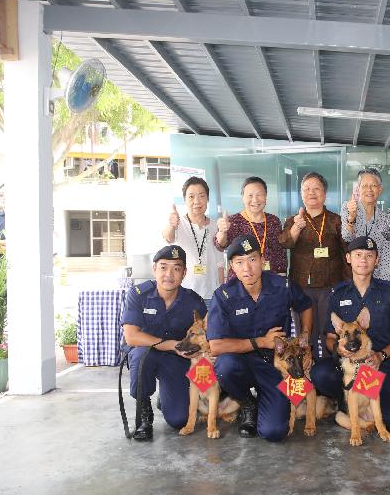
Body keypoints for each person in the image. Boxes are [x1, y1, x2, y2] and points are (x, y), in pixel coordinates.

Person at [207, 234, 313, 442]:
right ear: (232, 267)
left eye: (252, 259)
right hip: (241, 362)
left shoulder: (281, 285)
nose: (247, 268)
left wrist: (305, 338)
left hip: (275, 366)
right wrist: (260, 342)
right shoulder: (223, 296)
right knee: (225, 366)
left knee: (274, 432)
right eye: (240, 262)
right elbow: (216, 346)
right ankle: (247, 403)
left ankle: (267, 398)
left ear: (262, 260)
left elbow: (306, 305)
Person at [310, 236, 390, 433]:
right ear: (348, 258)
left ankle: (367, 403)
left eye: (369, 256)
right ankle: (346, 402)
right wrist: (337, 348)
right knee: (319, 373)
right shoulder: (338, 293)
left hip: (379, 364)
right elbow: (329, 337)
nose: (363, 260)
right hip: (347, 366)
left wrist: (381, 356)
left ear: (377, 260)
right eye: (358, 255)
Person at [121, 244, 207, 441]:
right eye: (163, 267)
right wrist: (171, 344)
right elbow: (132, 336)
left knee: (179, 419)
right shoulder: (138, 294)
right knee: (142, 355)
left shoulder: (193, 302)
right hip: (147, 354)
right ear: (154, 269)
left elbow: (205, 334)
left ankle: (166, 398)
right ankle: (144, 414)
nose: (169, 274)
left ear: (184, 273)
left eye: (176, 268)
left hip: (176, 360)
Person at [279, 172, 348, 356]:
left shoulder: (336, 220)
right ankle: (306, 372)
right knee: (305, 334)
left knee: (329, 332)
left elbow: (345, 253)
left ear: (324, 193)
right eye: (307, 189)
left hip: (329, 287)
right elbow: (285, 243)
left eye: (316, 188)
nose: (312, 193)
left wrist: (346, 285)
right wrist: (296, 228)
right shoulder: (293, 220)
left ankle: (327, 372)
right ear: (301, 194)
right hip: (301, 288)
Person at [162, 176, 224, 304]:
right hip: (184, 295)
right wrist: (172, 225)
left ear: (207, 199)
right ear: (185, 199)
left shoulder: (214, 226)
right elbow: (168, 237)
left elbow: (220, 263)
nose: (197, 201)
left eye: (201, 196)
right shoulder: (179, 223)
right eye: (191, 196)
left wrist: (221, 294)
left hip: (212, 295)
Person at [214, 176, 287, 277]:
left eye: (259, 195)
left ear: (266, 196)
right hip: (241, 282)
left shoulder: (273, 220)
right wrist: (222, 231)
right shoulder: (233, 221)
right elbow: (220, 245)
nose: (255, 200)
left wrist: (282, 279)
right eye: (250, 195)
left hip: (270, 281)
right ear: (243, 197)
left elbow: (279, 253)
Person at [340, 168, 390, 280]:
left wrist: (384, 281)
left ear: (380, 189)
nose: (369, 189)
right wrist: (352, 217)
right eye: (364, 186)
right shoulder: (348, 207)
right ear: (358, 189)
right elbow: (347, 237)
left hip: (376, 277)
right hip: (352, 275)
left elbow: (386, 251)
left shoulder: (384, 217)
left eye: (373, 185)